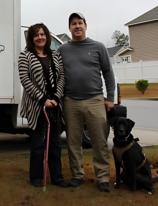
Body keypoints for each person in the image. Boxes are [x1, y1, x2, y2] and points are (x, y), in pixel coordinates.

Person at [58, 12, 115, 192]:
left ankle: (103, 178)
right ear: (69, 28)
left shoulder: (98, 47)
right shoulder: (62, 50)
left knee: (99, 141)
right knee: (73, 142)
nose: (77, 26)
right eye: (73, 23)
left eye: (80, 23)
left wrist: (111, 97)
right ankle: (77, 175)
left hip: (95, 100)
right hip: (70, 102)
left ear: (85, 26)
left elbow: (108, 73)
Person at [18, 23, 67, 188]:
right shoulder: (25, 55)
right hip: (36, 107)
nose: (40, 37)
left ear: (47, 36)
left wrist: (56, 97)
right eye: (36, 35)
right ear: (32, 38)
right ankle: (36, 178)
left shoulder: (56, 55)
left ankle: (57, 177)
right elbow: (25, 80)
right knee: (38, 145)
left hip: (54, 106)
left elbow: (61, 78)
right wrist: (43, 99)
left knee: (55, 144)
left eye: (42, 34)